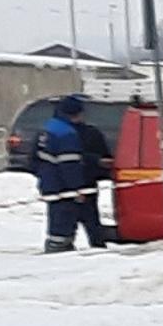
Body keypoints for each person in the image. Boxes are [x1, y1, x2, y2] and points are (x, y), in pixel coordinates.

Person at [36, 96, 92, 253]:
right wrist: (77, 189)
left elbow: (35, 159)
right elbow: (69, 165)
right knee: (64, 221)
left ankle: (56, 245)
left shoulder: (48, 128)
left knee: (55, 218)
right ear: (74, 114)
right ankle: (59, 251)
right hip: (63, 187)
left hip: (49, 183)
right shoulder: (67, 134)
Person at [74, 111, 112, 249]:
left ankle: (63, 246)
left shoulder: (90, 133)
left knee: (86, 218)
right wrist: (98, 162)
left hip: (78, 182)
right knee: (90, 219)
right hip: (84, 181)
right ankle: (97, 244)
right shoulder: (90, 133)